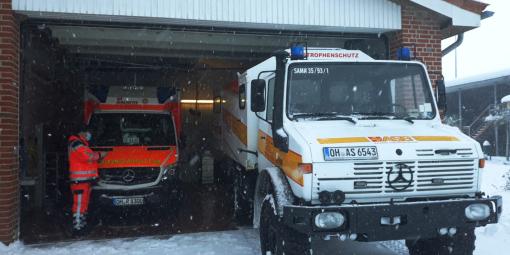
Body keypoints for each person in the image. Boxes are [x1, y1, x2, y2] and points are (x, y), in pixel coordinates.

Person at [67, 126, 106, 235]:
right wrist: (100, 155)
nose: (90, 135)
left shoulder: (81, 143)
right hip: (79, 181)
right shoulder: (76, 143)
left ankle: (81, 225)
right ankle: (78, 228)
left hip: (84, 181)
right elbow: (88, 156)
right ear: (82, 133)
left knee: (83, 204)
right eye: (88, 133)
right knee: (79, 204)